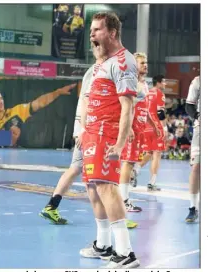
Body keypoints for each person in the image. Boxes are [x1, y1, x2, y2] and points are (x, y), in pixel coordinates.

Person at [40, 61, 138, 229]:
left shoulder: (102, 70)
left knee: (76, 168)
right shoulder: (101, 71)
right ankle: (117, 217)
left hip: (88, 128)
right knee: (104, 177)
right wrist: (83, 130)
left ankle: (51, 205)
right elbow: (87, 101)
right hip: (92, 131)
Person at [79, 12, 140, 268]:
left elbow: (128, 106)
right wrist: (82, 131)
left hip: (106, 134)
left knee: (106, 187)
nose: (91, 34)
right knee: (93, 189)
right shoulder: (102, 63)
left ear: (112, 33)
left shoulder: (123, 62)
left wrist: (119, 142)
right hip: (92, 134)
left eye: (96, 30)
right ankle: (103, 245)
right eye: (91, 30)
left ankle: (126, 253)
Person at [119, 52, 159, 211]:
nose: (145, 65)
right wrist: (128, 128)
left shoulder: (144, 83)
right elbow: (126, 107)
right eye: (142, 63)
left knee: (132, 163)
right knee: (127, 163)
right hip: (132, 128)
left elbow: (144, 107)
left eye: (146, 62)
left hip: (141, 129)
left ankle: (124, 196)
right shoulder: (131, 82)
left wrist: (153, 124)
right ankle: (123, 201)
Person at [0, 84, 76, 146]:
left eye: (1, 99)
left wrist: (58, 92)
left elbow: (39, 103)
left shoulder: (17, 111)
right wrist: (7, 139)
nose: (1, 102)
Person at [133, 75, 167, 191]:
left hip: (145, 126)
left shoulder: (147, 93)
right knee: (157, 154)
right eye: (164, 82)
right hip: (156, 127)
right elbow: (160, 114)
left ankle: (136, 168)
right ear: (158, 82)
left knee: (149, 152)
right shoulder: (159, 94)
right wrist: (164, 128)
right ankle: (152, 183)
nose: (165, 84)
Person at [185, 76, 200, 222]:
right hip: (200, 131)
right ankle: (193, 208)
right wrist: (197, 115)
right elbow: (189, 105)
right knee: (196, 167)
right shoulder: (198, 81)